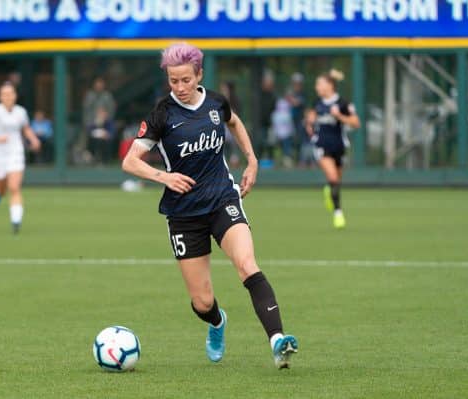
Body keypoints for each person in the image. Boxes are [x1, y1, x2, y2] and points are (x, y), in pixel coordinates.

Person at [122, 42, 298, 369]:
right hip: (183, 214)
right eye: (173, 81)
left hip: (221, 199)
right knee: (202, 302)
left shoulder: (216, 102)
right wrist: (165, 177)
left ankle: (278, 341)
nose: (180, 87)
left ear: (199, 74)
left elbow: (235, 123)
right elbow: (130, 162)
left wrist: (251, 160)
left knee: (246, 263)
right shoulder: (162, 114)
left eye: (186, 80)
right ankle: (217, 323)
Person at [0, 82, 41, 234]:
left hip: (15, 152)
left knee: (14, 187)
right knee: (2, 188)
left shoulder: (21, 112)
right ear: (0, 97)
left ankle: (16, 222)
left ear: (15, 96)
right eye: (4, 94)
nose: (8, 97)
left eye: (10, 93)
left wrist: (34, 140)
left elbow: (25, 128)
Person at [305, 69, 361, 229]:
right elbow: (310, 119)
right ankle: (338, 213)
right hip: (322, 145)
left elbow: (356, 123)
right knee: (333, 178)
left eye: (320, 84)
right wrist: (309, 123)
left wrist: (339, 116)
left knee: (336, 181)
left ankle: (329, 191)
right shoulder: (317, 103)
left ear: (330, 85)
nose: (317, 87)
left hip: (339, 146)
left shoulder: (343, 103)